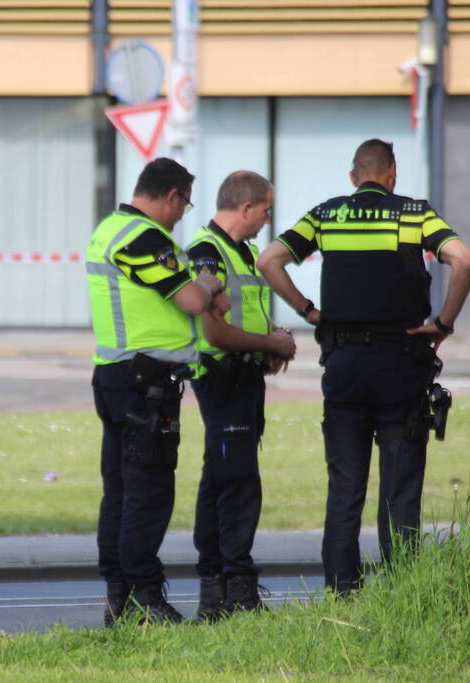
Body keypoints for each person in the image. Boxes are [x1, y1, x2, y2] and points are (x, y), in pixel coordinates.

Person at [256, 139, 470, 595]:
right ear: (391, 173)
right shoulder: (413, 213)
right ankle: (400, 593)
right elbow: (464, 260)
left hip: (345, 365)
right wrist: (443, 324)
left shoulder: (326, 214)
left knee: (345, 489)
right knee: (399, 489)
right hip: (401, 364)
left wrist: (306, 310)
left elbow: (269, 259)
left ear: (354, 176)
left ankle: (342, 593)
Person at [86, 157, 230, 625]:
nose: (183, 214)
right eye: (184, 204)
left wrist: (199, 285)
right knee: (147, 492)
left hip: (118, 376)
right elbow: (191, 298)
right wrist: (208, 282)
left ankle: (118, 597)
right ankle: (144, 598)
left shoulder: (110, 229)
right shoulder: (143, 237)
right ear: (171, 195)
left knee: (121, 491)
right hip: (142, 384)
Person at [185, 171, 297, 621]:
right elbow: (213, 332)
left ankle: (216, 595)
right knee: (238, 485)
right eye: (266, 210)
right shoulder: (205, 253)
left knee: (221, 479)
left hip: (245, 377)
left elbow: (248, 316)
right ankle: (236, 590)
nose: (268, 219)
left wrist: (271, 336)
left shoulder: (245, 254)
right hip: (222, 377)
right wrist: (270, 345)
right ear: (245, 208)